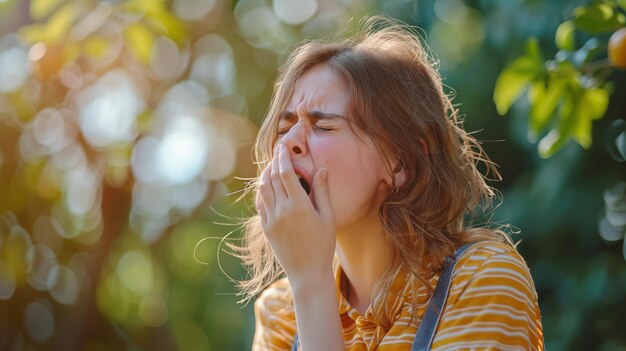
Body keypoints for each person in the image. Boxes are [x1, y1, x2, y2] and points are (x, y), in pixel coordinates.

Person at [235, 15, 544, 351]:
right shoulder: (280, 314)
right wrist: (308, 285)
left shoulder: (484, 279)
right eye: (285, 127)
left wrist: (311, 284)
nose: (289, 142)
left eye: (323, 127)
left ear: (400, 163)